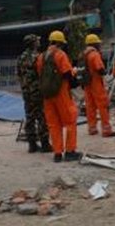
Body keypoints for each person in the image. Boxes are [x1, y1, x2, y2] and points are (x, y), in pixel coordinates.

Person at [35, 31, 80, 162]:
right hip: (61, 94)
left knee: (54, 125)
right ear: (60, 43)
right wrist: (74, 76)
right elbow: (66, 73)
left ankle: (57, 153)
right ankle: (70, 151)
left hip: (47, 96)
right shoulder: (60, 55)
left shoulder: (41, 57)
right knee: (70, 121)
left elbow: (40, 75)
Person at [17, 34, 51, 153]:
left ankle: (32, 145)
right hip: (37, 91)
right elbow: (43, 73)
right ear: (33, 43)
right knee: (41, 116)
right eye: (37, 40)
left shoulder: (20, 58)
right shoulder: (38, 57)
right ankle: (45, 143)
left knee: (30, 117)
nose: (39, 42)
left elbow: (19, 75)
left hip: (26, 91)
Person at [80, 34, 115, 137]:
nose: (99, 45)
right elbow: (100, 68)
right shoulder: (94, 54)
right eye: (98, 43)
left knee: (90, 106)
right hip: (96, 83)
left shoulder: (83, 54)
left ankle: (92, 128)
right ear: (94, 44)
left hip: (86, 84)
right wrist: (106, 75)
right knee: (103, 106)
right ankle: (106, 130)